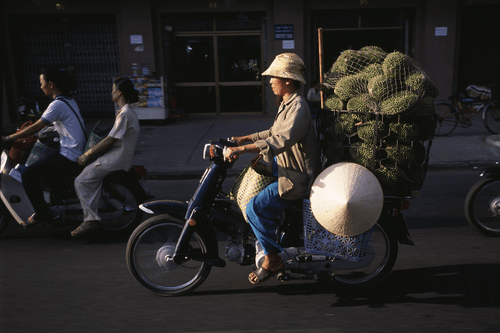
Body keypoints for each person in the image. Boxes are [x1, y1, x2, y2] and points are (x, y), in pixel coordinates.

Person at [224, 53, 321, 284]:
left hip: (296, 179)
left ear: (287, 79)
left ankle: (272, 257)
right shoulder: (288, 103)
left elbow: (281, 140)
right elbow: (272, 132)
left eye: (274, 77)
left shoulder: (297, 106)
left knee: (253, 208)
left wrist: (243, 149)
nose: (270, 81)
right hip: (285, 171)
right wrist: (243, 138)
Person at [2, 68, 86, 228]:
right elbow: (52, 126)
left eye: (42, 83)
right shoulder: (68, 100)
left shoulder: (57, 104)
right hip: (74, 149)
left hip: (69, 155)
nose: (40, 87)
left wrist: (8, 138)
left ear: (51, 85)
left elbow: (36, 126)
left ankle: (42, 213)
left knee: (28, 174)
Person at [71, 77, 140, 237]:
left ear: (119, 93)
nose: (111, 93)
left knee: (81, 181)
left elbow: (110, 139)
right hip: (120, 156)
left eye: (112, 90)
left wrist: (87, 153)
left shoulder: (124, 114)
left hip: (116, 158)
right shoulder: (128, 112)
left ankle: (90, 220)